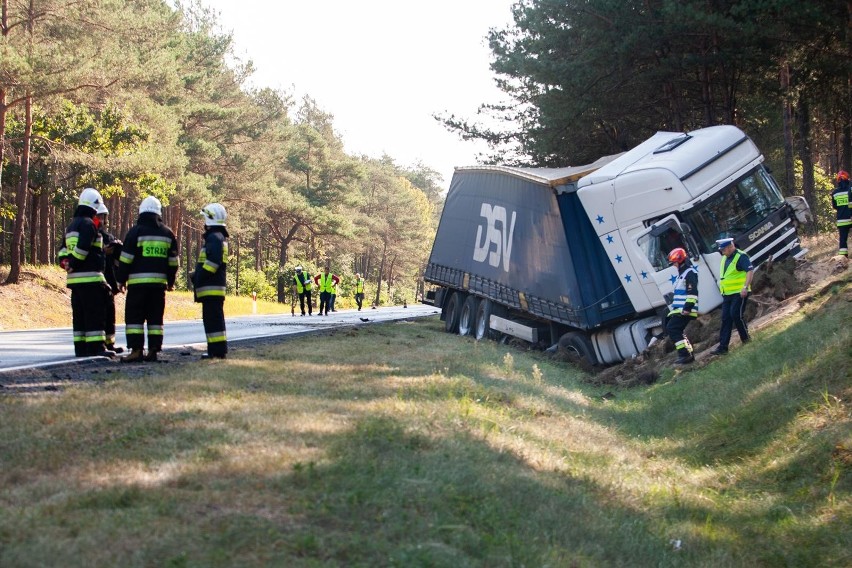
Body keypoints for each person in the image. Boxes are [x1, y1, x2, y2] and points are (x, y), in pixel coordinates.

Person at [117, 196, 179, 363]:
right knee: (155, 319)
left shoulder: (135, 232)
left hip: (137, 287)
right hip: (158, 287)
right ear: (159, 213)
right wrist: (171, 281)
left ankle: (136, 351)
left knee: (135, 318)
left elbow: (126, 259)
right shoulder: (168, 234)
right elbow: (173, 262)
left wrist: (120, 280)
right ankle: (153, 351)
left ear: (141, 212)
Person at [57, 188, 113, 357]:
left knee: (79, 318)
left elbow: (62, 250)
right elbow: (83, 247)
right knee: (94, 315)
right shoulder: (88, 224)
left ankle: (81, 350)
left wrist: (66, 262)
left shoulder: (71, 226)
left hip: (75, 282)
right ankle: (96, 349)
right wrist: (73, 263)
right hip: (91, 279)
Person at [193, 203, 229, 359]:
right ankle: (216, 350)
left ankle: (216, 351)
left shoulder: (214, 238)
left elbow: (213, 262)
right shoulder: (218, 237)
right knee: (215, 320)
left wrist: (198, 277)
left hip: (211, 288)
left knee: (212, 321)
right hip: (214, 287)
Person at [711, 238, 754, 355]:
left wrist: (745, 287)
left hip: (739, 292)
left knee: (736, 315)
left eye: (724, 250)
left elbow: (750, 271)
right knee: (726, 319)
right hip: (727, 294)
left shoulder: (741, 256)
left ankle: (746, 339)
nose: (722, 252)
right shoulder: (725, 257)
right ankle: (723, 347)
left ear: (731, 246)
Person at [96, 202, 124, 354]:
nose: (101, 220)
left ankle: (110, 344)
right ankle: (99, 345)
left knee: (110, 314)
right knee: (99, 315)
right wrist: (103, 251)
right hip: (96, 282)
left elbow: (117, 263)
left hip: (108, 282)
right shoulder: (89, 234)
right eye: (99, 216)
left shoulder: (108, 237)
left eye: (103, 217)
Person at [665, 248, 698, 364]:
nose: (674, 266)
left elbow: (693, 292)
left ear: (680, 261)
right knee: (674, 328)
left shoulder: (689, 273)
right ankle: (688, 354)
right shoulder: (682, 274)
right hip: (680, 309)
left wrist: (687, 307)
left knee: (672, 328)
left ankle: (685, 355)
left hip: (685, 309)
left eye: (674, 263)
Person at [831, 170, 851, 257]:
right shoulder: (850, 190)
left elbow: (835, 206)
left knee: (843, 239)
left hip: (842, 220)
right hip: (851, 217)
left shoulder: (835, 193)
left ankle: (843, 257)